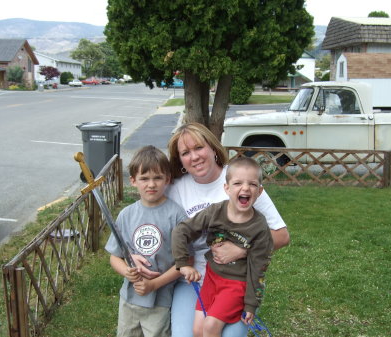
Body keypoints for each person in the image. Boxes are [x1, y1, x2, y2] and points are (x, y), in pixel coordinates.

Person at [133, 122, 289, 337]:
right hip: (192, 279)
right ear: (180, 160)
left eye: (199, 148)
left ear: (213, 148)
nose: (194, 157)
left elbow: (281, 236)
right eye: (186, 153)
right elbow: (147, 219)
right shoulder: (175, 189)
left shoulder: (240, 180)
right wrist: (133, 253)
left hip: (236, 280)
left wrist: (242, 250)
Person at [171, 156, 274, 337]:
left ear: (259, 191)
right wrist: (183, 263)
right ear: (226, 188)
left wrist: (251, 303)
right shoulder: (215, 212)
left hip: (236, 284)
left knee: (210, 327)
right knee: (197, 330)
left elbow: (258, 268)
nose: (245, 188)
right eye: (237, 183)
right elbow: (182, 230)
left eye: (252, 184)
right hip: (211, 278)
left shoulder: (260, 227)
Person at [105, 145, 187, 337]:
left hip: (160, 301)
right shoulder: (126, 215)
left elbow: (184, 262)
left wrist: (154, 284)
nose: (151, 184)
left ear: (167, 179)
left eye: (157, 178)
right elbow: (114, 257)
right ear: (133, 181)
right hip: (129, 299)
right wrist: (126, 270)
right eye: (144, 178)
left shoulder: (176, 215)